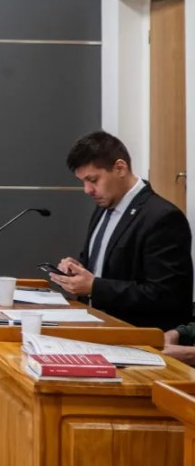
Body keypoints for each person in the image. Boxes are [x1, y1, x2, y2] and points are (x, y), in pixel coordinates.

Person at [49, 131, 193, 330]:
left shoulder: (162, 217)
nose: (87, 190)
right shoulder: (102, 209)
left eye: (93, 180)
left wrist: (94, 287)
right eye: (83, 182)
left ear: (120, 168)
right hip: (96, 327)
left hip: (137, 335)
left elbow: (166, 295)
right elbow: (103, 268)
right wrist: (77, 270)